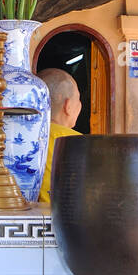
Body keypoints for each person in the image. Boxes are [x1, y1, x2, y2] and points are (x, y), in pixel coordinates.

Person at [37, 68, 83, 205]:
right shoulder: (80, 143)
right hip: (64, 221)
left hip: (28, 216)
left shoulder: (24, 136)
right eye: (78, 99)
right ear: (68, 106)